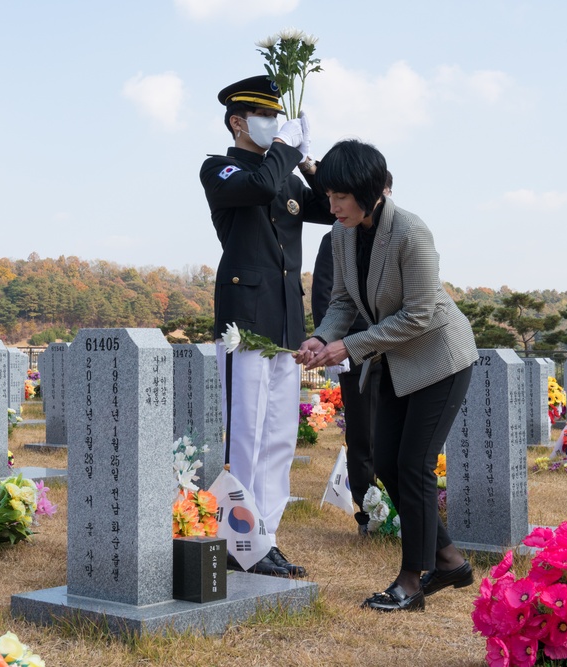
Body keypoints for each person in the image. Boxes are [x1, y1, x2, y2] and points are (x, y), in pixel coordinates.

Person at [296, 140, 478, 612]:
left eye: (340, 196)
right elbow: (341, 302)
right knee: (386, 464)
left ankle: (411, 581)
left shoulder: (411, 232)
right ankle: (451, 559)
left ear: (371, 191)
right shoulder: (342, 234)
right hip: (395, 359)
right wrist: (322, 338)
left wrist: (350, 346)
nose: (331, 206)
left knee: (414, 464)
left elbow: (418, 314)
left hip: (440, 356)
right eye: (328, 195)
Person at [200, 75, 331, 578]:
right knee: (247, 435)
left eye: (279, 118)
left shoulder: (287, 173)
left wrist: (310, 163)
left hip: (284, 320)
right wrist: (282, 148)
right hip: (245, 319)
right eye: (263, 117)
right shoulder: (221, 168)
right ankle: (241, 537)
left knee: (279, 435)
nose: (274, 124)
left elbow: (329, 208)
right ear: (238, 121)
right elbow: (258, 185)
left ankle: (265, 537)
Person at [310, 171, 393, 535]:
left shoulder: (398, 235)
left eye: (387, 192)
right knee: (362, 435)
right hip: (353, 350)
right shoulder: (336, 238)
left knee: (395, 433)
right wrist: (331, 344)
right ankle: (368, 513)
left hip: (395, 348)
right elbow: (327, 296)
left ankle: (399, 508)